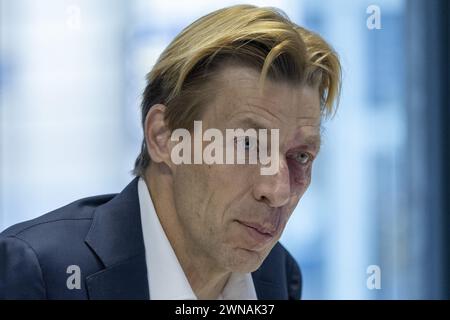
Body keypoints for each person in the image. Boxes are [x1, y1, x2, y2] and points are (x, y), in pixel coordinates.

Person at [0, 4, 341, 299]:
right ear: (163, 137)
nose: (279, 190)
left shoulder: (277, 275)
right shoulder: (39, 271)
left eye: (300, 157)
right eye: (247, 144)